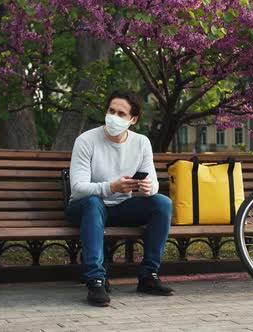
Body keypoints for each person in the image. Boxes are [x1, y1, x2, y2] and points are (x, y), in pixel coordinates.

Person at [65, 90, 174, 307]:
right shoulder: (86, 140)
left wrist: (147, 187)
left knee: (162, 202)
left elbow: (153, 183)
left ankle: (148, 276)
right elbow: (77, 189)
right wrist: (111, 187)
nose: (113, 117)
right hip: (85, 208)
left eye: (121, 114)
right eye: (111, 111)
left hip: (122, 207)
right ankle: (95, 279)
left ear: (133, 120)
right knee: (94, 202)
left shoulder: (141, 143)